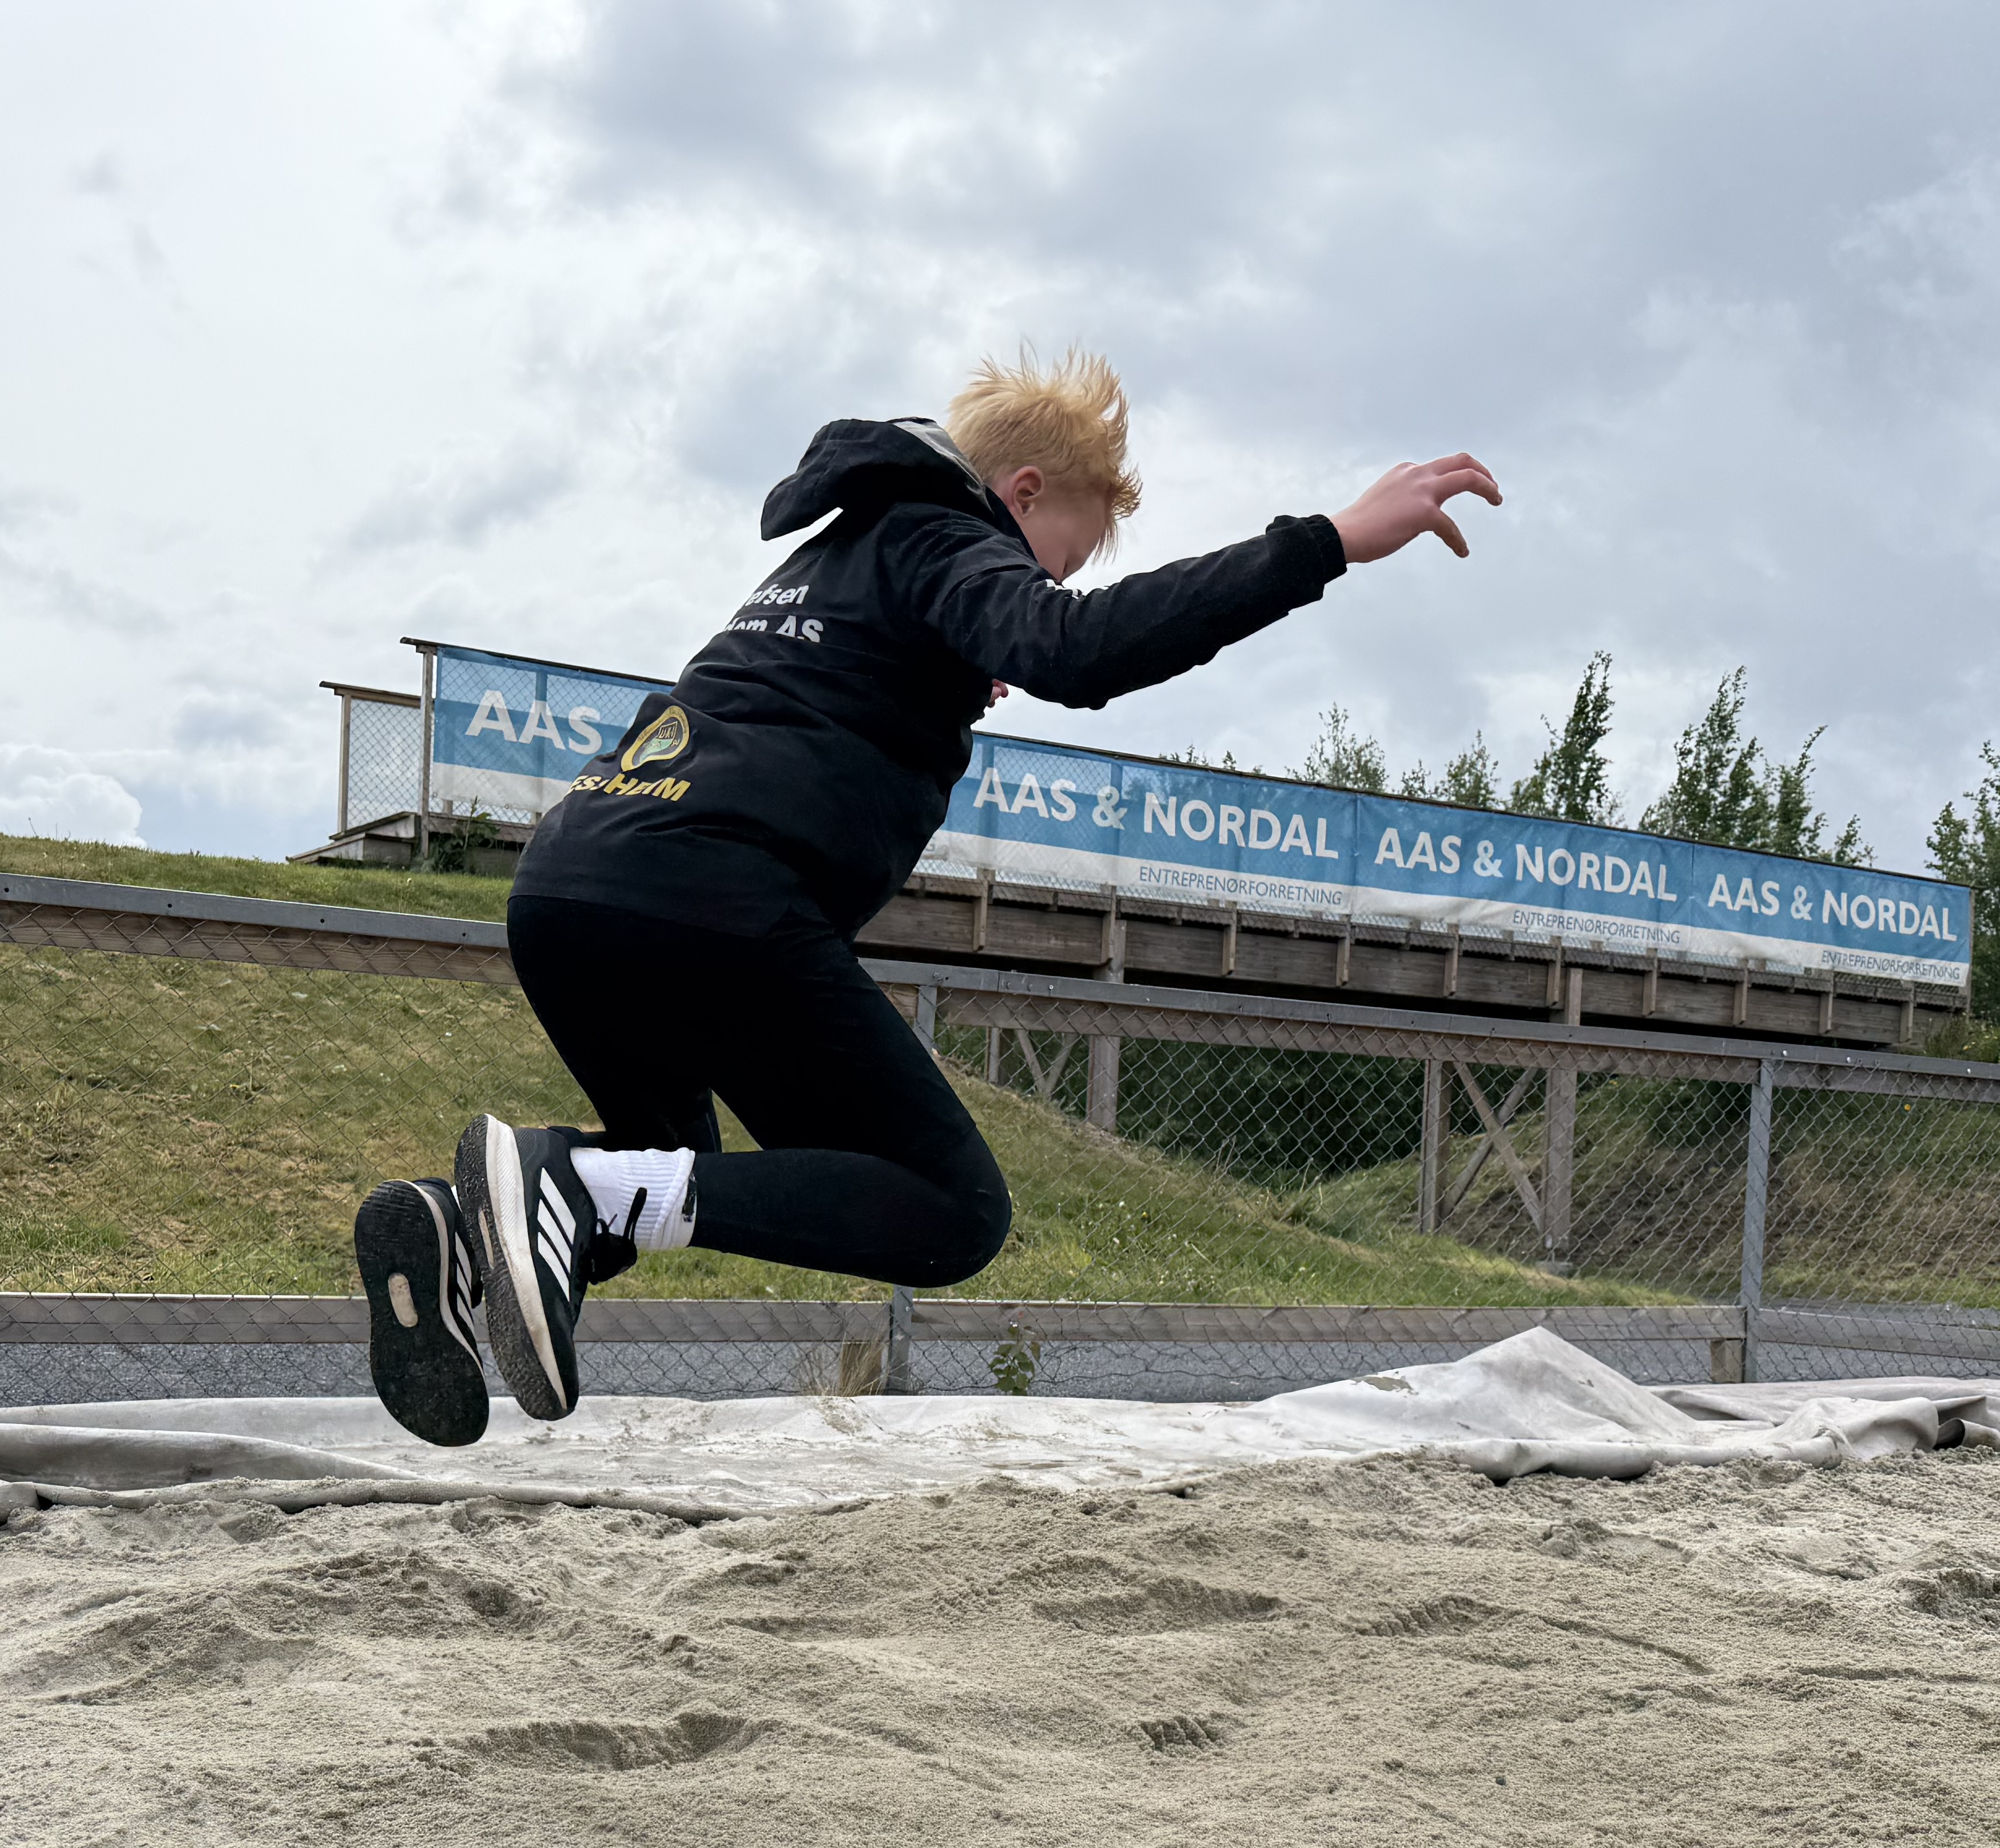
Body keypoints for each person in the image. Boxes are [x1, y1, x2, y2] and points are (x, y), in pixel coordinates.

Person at [353, 353, 1498, 1443]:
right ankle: (571, 1188)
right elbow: (1080, 652)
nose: (1041, 591)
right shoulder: (941, 532)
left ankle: (454, 1231)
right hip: (710, 895)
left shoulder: (840, 555)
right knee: (948, 1209)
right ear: (1023, 492)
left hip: (576, 889)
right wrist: (1327, 542)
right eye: (1054, 563)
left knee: (670, 1164)